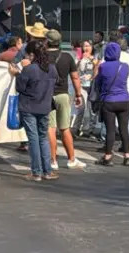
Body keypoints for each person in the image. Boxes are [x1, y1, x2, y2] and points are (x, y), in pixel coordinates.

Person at [15, 38, 58, 181]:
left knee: (33, 138)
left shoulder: (30, 69)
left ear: (32, 55)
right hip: (45, 106)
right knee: (42, 138)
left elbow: (20, 88)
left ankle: (36, 171)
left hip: (29, 106)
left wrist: (17, 73)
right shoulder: (51, 68)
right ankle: (47, 170)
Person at [45, 30, 84, 170]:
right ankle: (71, 159)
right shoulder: (67, 57)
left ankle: (52, 160)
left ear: (46, 41)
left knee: (50, 128)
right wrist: (79, 95)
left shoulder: (42, 56)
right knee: (65, 127)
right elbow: (75, 77)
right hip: (63, 94)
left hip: (47, 95)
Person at [93, 42, 129, 166]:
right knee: (124, 129)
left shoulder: (103, 66)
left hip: (109, 100)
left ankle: (108, 156)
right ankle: (127, 157)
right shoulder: (125, 66)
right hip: (124, 100)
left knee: (110, 130)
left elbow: (98, 83)